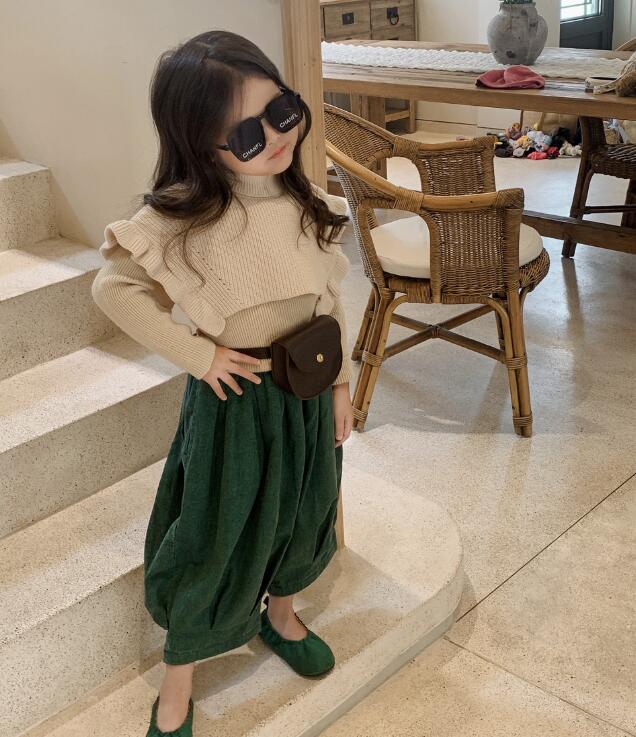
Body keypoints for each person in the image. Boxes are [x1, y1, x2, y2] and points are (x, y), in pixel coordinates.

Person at [90, 28, 354, 737]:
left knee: (306, 505)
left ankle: (281, 614)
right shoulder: (181, 214)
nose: (275, 137)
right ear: (200, 143)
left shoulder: (304, 197)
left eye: (282, 111)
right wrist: (199, 355)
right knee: (214, 529)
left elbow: (331, 297)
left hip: (308, 387)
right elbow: (114, 290)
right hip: (236, 402)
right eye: (244, 133)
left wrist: (341, 384)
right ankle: (178, 679)